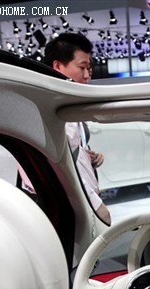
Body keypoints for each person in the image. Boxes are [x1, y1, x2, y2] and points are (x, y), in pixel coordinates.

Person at [42, 33, 110, 225]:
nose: (87, 76)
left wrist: (87, 156)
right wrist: (96, 205)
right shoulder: (53, 111)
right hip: (72, 205)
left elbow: (71, 154)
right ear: (58, 66)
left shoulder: (68, 106)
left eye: (89, 69)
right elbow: (64, 168)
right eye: (82, 67)